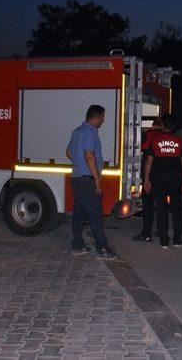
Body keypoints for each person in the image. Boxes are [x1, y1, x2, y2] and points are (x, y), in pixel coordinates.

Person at [66, 105, 116, 260]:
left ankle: (77, 245)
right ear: (96, 117)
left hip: (77, 178)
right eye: (102, 117)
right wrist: (97, 181)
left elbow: (68, 152)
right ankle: (102, 249)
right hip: (88, 180)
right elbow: (89, 156)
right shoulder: (89, 133)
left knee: (79, 213)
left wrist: (78, 164)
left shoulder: (77, 131)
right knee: (96, 215)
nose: (103, 120)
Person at [143, 114, 182, 249]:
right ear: (174, 126)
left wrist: (146, 180)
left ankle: (164, 240)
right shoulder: (179, 141)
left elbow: (149, 162)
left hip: (158, 179)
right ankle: (177, 240)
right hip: (175, 179)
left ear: (162, 125)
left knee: (161, 209)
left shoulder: (155, 140)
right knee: (176, 209)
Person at [133, 118, 163, 242]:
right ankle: (162, 232)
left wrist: (145, 179)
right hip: (163, 176)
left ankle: (146, 234)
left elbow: (144, 149)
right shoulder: (165, 136)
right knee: (162, 207)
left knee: (148, 206)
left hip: (150, 176)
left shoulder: (149, 134)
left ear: (153, 125)